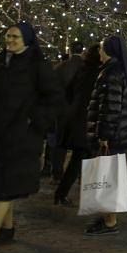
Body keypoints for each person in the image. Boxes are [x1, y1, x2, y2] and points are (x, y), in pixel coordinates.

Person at [0, 22, 62, 252]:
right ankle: (7, 228)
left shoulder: (38, 65)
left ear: (26, 40)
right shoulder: (0, 61)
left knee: (6, 183)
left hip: (20, 136)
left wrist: (33, 120)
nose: (10, 41)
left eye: (15, 37)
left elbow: (55, 99)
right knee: (0, 182)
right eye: (8, 36)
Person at [84, 35, 127, 235]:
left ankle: (110, 222)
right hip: (121, 134)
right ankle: (107, 217)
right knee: (110, 176)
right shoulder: (123, 71)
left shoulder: (112, 73)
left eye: (101, 48)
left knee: (108, 178)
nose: (99, 52)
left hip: (113, 135)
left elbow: (110, 107)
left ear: (108, 50)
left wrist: (104, 135)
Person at [54, 43, 102, 207]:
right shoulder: (97, 74)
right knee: (82, 158)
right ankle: (66, 193)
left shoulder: (83, 70)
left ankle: (62, 192)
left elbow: (68, 91)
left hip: (74, 117)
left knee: (79, 157)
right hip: (85, 120)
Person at [50, 41, 85, 182]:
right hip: (79, 111)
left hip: (62, 110)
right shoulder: (86, 66)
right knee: (80, 146)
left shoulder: (60, 67)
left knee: (60, 144)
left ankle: (57, 173)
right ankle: (80, 174)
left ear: (70, 50)